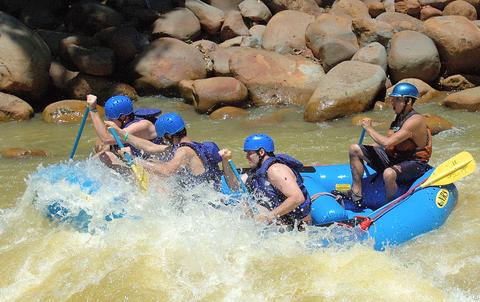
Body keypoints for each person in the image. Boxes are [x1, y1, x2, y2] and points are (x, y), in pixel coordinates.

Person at [347, 82, 432, 206]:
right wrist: (369, 150)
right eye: (393, 99)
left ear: (408, 101)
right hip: (396, 158)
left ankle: (391, 204)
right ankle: (356, 194)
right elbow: (390, 144)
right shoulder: (398, 118)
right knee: (354, 149)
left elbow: (387, 143)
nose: (393, 103)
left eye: (397, 100)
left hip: (415, 164)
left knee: (389, 173)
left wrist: (369, 128)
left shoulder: (415, 121)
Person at [108, 112, 223, 189]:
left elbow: (167, 171)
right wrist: (121, 133)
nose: (162, 139)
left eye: (163, 137)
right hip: (206, 190)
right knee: (154, 163)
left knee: (157, 179)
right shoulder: (188, 145)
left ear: (168, 135)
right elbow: (150, 147)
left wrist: (133, 160)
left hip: (202, 200)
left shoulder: (184, 151)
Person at [220, 134, 311, 226]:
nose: (246, 157)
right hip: (279, 221)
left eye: (249, 153)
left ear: (261, 152)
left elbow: (297, 198)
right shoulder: (257, 171)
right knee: (245, 204)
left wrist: (269, 216)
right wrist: (225, 161)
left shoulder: (276, 170)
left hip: (297, 225)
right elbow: (234, 186)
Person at [87, 94, 162, 168]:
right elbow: (105, 144)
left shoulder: (142, 125)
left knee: (106, 155)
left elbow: (107, 139)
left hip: (156, 163)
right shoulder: (121, 125)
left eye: (111, 119)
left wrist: (93, 110)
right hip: (138, 159)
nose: (108, 121)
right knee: (102, 152)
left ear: (123, 117)